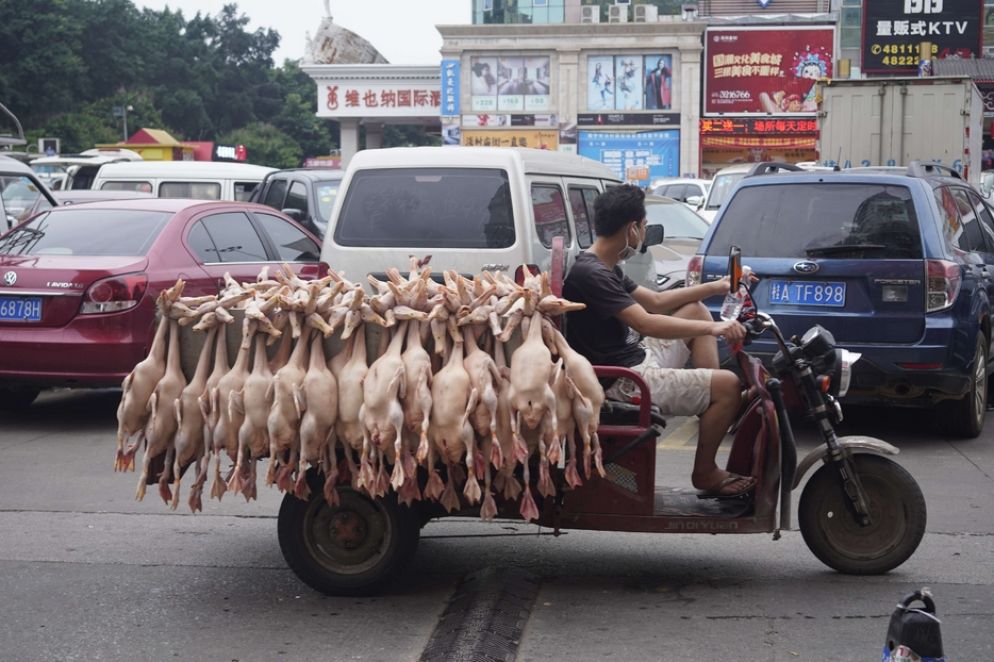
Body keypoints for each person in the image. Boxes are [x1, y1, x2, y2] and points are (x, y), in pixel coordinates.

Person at [562, 185, 756, 497]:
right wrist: (715, 330)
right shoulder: (592, 274)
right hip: (621, 382)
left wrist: (716, 287)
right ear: (632, 228)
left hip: (635, 360)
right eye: (643, 224)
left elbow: (656, 300)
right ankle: (705, 470)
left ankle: (712, 400)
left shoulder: (602, 266)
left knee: (695, 312)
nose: (643, 232)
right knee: (730, 385)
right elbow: (645, 320)